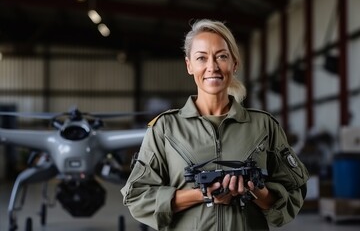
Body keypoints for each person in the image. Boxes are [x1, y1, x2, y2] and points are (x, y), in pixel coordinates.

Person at [121, 19, 309, 231]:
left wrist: (255, 191)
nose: (212, 66)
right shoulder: (165, 128)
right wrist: (201, 194)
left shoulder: (264, 126)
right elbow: (136, 196)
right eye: (201, 58)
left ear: (234, 64)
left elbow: (295, 192)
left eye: (221, 56)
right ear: (189, 65)